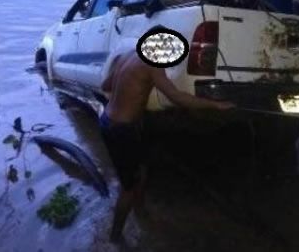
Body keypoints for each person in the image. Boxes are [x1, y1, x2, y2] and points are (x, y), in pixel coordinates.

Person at [99, 42, 235, 243]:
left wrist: (132, 89)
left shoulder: (127, 55)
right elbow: (177, 97)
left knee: (141, 170)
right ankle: (115, 237)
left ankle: (140, 211)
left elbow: (105, 86)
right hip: (122, 130)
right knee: (128, 187)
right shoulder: (152, 64)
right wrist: (215, 105)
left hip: (106, 122)